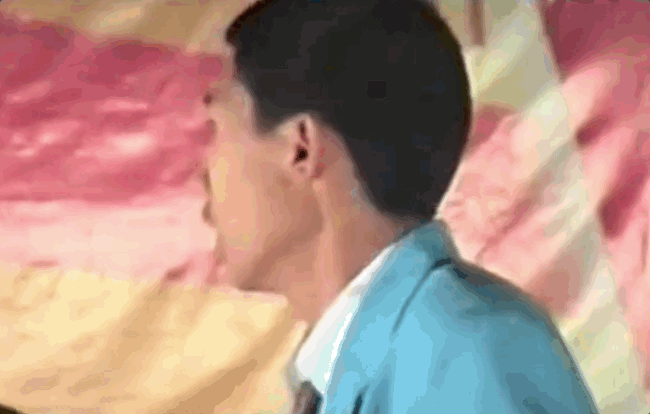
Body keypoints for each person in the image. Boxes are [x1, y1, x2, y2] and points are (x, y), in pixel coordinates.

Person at [201, 0, 600, 412]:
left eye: (215, 128)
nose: (203, 172)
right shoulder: (413, 358)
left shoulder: (467, 354)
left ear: (300, 148)